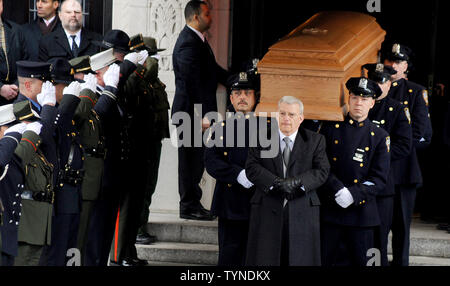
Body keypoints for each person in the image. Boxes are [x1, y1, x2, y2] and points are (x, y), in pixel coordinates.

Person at [245, 96, 330, 266]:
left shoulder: (315, 140)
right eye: (282, 113)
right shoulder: (261, 137)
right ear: (276, 116)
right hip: (267, 207)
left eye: (291, 115)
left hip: (302, 208)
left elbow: (322, 170)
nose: (286, 118)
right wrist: (275, 182)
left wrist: (296, 183)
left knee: (300, 259)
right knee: (265, 259)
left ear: (301, 118)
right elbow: (252, 167)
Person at [318, 77, 390, 266]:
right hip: (331, 211)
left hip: (362, 216)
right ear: (348, 100)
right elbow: (321, 166)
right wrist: (337, 189)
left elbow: (379, 178)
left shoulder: (380, 137)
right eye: (355, 97)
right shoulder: (329, 129)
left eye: (364, 99)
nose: (359, 103)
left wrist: (353, 194)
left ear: (372, 103)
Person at [172, 0, 231, 220]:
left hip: (195, 114)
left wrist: (234, 80)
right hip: (190, 115)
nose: (211, 18)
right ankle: (188, 206)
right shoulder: (188, 42)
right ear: (195, 17)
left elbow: (211, 71)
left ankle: (192, 203)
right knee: (190, 162)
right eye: (207, 14)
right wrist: (205, 115)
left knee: (196, 160)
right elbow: (192, 83)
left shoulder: (198, 40)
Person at [383, 43, 432, 266]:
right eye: (390, 61)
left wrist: (385, 149)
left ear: (405, 66)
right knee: (378, 224)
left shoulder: (415, 91)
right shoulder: (376, 89)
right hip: (378, 171)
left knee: (402, 226)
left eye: (398, 62)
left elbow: (418, 132)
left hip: (403, 169)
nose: (393, 66)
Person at [204, 71, 260, 266]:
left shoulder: (267, 129)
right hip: (229, 204)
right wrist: (237, 174)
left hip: (257, 203)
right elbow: (212, 162)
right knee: (229, 256)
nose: (242, 97)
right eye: (237, 93)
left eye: (247, 93)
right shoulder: (218, 129)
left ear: (255, 97)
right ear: (230, 98)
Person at [363, 63, 412, 266]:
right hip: (357, 182)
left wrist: (377, 157)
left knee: (378, 237)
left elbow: (403, 146)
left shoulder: (398, 109)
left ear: (389, 84)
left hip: (382, 183)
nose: (377, 85)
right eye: (374, 80)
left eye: (382, 81)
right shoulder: (359, 105)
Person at [40, 58, 85, 266]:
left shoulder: (67, 110)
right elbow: (52, 136)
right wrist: (66, 104)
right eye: (64, 86)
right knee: (56, 254)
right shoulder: (48, 112)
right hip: (56, 195)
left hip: (71, 193)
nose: (68, 90)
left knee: (69, 251)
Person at [0, 0, 29, 105]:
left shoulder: (16, 30)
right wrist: (0, 88)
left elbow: (26, 61)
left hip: (17, 95)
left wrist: (17, 85)